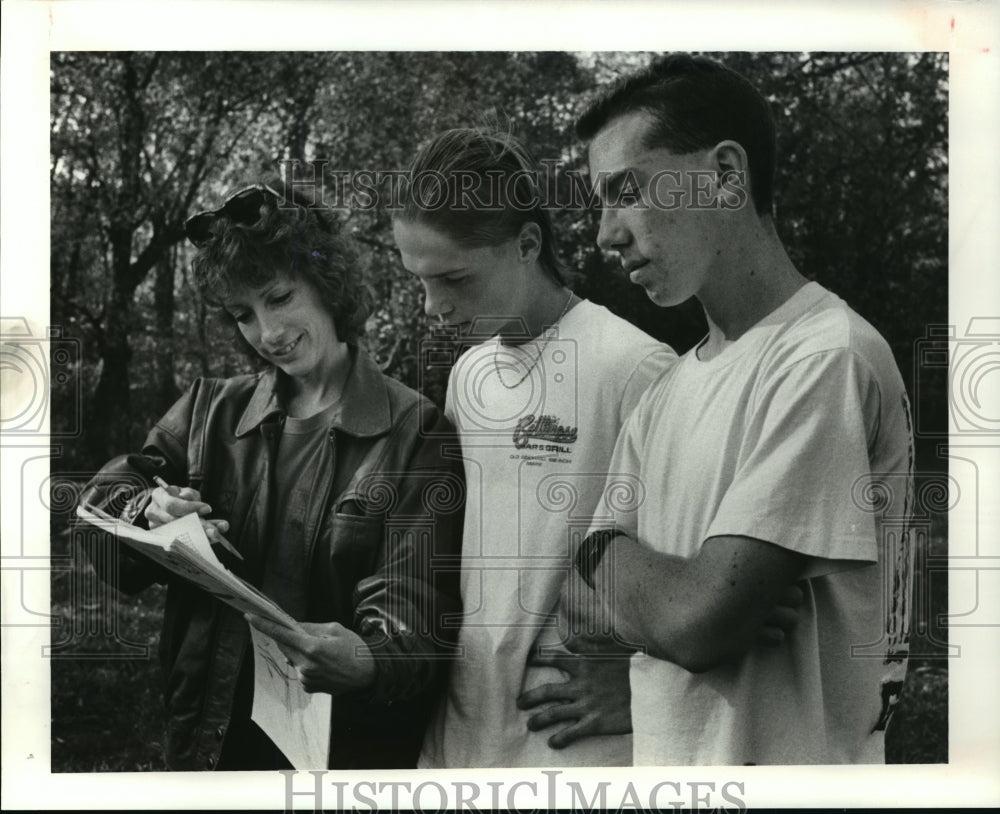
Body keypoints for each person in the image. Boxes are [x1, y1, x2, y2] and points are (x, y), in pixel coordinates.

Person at [392, 126, 800, 768]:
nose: (432, 307)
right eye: (419, 281)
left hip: (571, 748)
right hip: (456, 743)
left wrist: (635, 691)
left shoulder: (634, 366)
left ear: (527, 245)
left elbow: (737, 595)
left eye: (454, 280)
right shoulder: (468, 376)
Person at [560, 53, 914, 765]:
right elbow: (574, 602)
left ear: (725, 174)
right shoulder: (666, 388)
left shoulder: (823, 358)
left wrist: (633, 575)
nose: (605, 234)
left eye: (625, 190)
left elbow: (698, 626)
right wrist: (655, 581)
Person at [77, 181, 463, 770]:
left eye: (279, 297)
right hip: (208, 741)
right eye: (243, 315)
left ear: (327, 281)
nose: (268, 333)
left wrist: (370, 658)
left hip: (342, 753)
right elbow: (102, 503)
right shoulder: (210, 409)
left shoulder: (415, 429)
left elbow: (416, 607)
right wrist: (149, 509)